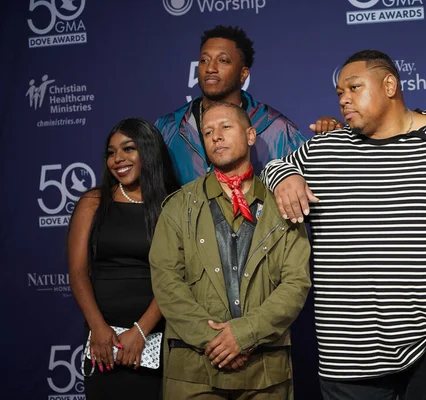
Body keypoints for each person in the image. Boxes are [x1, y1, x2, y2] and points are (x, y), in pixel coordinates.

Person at [260, 50, 426, 400]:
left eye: (354, 88)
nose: (344, 99)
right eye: (339, 93)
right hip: (348, 352)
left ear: (389, 84)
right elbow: (272, 168)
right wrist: (285, 176)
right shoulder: (328, 148)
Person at [149, 102, 311, 399]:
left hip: (265, 371)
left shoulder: (283, 204)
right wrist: (217, 340)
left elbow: (296, 283)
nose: (216, 136)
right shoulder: (178, 206)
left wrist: (244, 334)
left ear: (251, 135)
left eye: (225, 127)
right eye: (208, 131)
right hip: (194, 372)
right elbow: (166, 281)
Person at [68, 117, 179, 399]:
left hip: (157, 334)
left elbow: (177, 277)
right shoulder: (93, 202)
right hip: (103, 337)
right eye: (111, 152)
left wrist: (141, 331)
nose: (118, 159)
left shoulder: (173, 204)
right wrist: (99, 329)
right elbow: (79, 272)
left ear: (148, 151)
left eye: (128, 149)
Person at [155, 25, 310, 185]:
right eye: (204, 60)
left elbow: (308, 185)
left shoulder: (277, 129)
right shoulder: (168, 127)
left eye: (223, 60)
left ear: (243, 74)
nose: (210, 68)